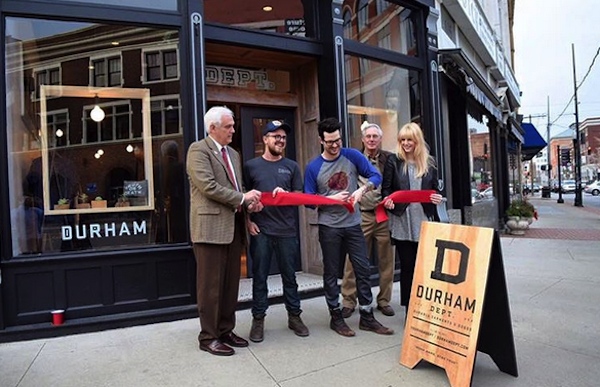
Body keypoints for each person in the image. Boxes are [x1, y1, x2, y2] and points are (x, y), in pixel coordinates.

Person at [304, 117, 393, 337]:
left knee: (363, 268)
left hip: (354, 223)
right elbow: (308, 200)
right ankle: (336, 317)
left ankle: (367, 316)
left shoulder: (352, 155)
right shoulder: (314, 167)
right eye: (330, 142)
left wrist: (362, 191)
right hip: (330, 227)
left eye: (338, 140)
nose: (335, 145)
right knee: (332, 272)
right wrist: (332, 199)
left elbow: (376, 175)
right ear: (320, 140)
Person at [186, 106, 262, 356]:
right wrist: (243, 197)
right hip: (209, 229)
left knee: (230, 285)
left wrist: (249, 208)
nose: (233, 130)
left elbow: (238, 189)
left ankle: (225, 330)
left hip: (233, 228)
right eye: (228, 126)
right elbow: (208, 186)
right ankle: (208, 336)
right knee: (210, 287)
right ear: (212, 128)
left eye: (233, 125)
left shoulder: (234, 154)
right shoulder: (198, 150)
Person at [243, 120, 309, 343]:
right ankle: (258, 320)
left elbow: (300, 195)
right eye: (275, 136)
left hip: (287, 230)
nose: (280, 140)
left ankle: (295, 317)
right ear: (264, 139)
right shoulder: (251, 166)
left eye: (283, 137)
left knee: (290, 277)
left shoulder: (292, 166)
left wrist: (287, 193)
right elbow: (243, 199)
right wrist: (248, 221)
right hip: (261, 230)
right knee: (260, 277)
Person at [381, 122, 443, 317]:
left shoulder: (430, 163)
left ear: (417, 141)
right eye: (403, 140)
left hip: (424, 219)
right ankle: (410, 310)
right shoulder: (394, 161)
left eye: (410, 140)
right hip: (402, 221)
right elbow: (386, 190)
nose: (406, 143)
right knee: (407, 267)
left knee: (425, 267)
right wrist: (388, 201)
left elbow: (437, 190)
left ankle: (425, 306)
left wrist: (438, 197)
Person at [341, 121, 395, 319]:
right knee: (353, 260)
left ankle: (384, 301)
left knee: (386, 260)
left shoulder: (390, 159)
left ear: (380, 139)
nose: (372, 140)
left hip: (383, 216)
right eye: (368, 136)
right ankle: (348, 300)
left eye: (375, 136)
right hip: (360, 215)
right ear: (363, 139)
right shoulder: (353, 159)